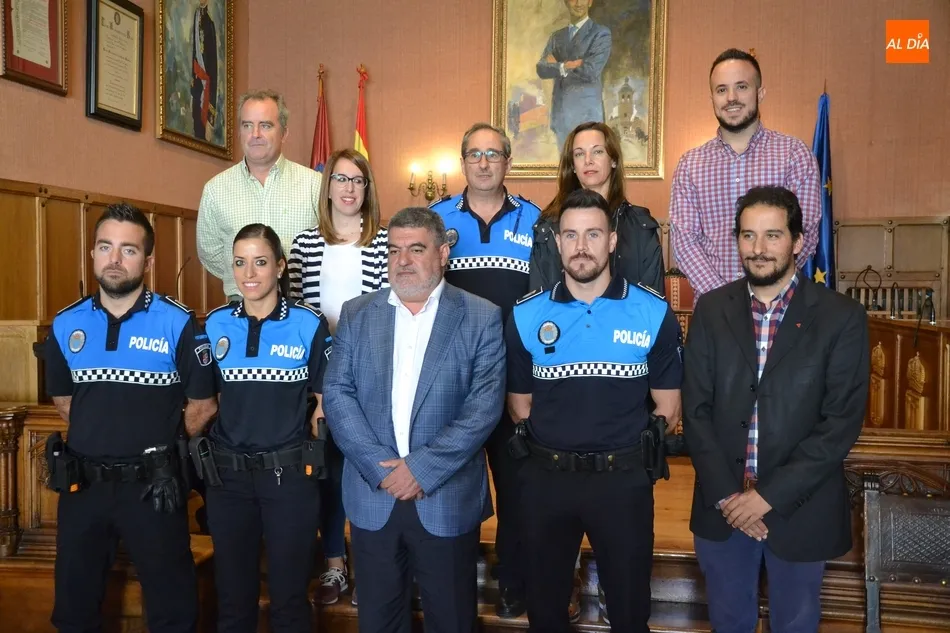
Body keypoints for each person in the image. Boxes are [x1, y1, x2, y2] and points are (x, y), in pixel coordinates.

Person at [683, 186, 869, 633]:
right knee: (728, 622)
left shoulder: (840, 316)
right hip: (722, 506)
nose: (759, 249)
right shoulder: (710, 310)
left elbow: (839, 423)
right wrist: (731, 497)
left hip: (800, 509)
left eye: (772, 235)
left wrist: (767, 498)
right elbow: (696, 410)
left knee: (796, 625)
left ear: (798, 240)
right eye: (748, 236)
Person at [507, 188, 683, 633]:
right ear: (558, 242)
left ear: (612, 240)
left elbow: (667, 407)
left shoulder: (651, 310)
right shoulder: (527, 315)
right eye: (570, 235)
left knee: (628, 614)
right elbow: (521, 407)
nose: (581, 246)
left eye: (592, 234)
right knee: (545, 614)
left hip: (622, 485)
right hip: (547, 482)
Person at [323, 207, 506, 633]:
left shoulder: (481, 316)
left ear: (443, 254)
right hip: (374, 495)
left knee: (452, 619)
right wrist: (378, 467)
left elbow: (484, 407)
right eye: (394, 250)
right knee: (379, 621)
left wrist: (420, 470)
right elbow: (337, 394)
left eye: (416, 249)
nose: (402, 260)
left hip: (445, 497)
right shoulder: (356, 313)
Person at [43, 203, 218, 633]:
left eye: (128, 249)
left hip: (153, 487)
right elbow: (65, 401)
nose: (115, 259)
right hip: (84, 487)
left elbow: (202, 406)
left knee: (172, 610)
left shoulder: (178, 324)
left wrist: (161, 445)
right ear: (93, 254)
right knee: (74, 607)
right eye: (105, 247)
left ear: (149, 260)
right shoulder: (65, 325)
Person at [428, 122, 540, 618]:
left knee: (518, 486)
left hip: (516, 376)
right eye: (474, 153)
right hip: (453, 378)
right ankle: (450, 579)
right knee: (453, 483)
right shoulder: (435, 220)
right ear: (463, 161)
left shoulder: (536, 221)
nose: (484, 162)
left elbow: (546, 302)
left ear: (508, 162)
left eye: (493, 154)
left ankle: (514, 577)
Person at [197, 223, 333, 633]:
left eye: (259, 262)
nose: (249, 273)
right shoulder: (215, 324)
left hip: (288, 480)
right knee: (234, 599)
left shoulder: (309, 323)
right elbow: (204, 403)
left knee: (289, 600)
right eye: (240, 263)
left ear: (280, 266)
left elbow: (324, 404)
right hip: (228, 482)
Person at [286, 148, 389, 606]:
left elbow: (390, 313)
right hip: (315, 374)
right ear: (327, 187)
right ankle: (333, 566)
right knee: (325, 470)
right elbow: (292, 314)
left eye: (357, 181)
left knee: (368, 466)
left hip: (369, 370)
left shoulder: (386, 242)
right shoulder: (305, 244)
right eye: (340, 179)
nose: (348, 189)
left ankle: (374, 565)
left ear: (367, 189)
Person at [669, 48, 821, 302]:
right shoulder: (689, 165)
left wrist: (765, 293)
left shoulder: (794, 155)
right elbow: (685, 242)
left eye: (741, 87)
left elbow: (804, 233)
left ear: (760, 93)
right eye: (721, 90)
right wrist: (726, 300)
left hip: (781, 307)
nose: (731, 98)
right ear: (712, 99)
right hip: (714, 311)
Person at [197, 89, 322, 302]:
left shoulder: (314, 185)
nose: (255, 134)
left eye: (265, 125)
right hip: (240, 307)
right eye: (247, 125)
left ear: (284, 133)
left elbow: (331, 246)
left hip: (302, 306)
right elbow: (211, 254)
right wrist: (252, 282)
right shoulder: (215, 190)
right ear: (239, 132)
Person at [531, 121, 665, 296]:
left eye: (598, 152)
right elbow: (539, 303)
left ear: (614, 160)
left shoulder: (640, 227)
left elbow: (653, 306)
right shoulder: (548, 225)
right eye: (579, 154)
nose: (588, 161)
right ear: (572, 165)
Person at [536, 0, 612, 150]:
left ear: (590, 2)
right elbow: (541, 68)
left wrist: (556, 65)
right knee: (565, 171)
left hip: (587, 117)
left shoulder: (601, 33)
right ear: (565, 2)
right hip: (561, 117)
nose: (578, 3)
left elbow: (591, 71)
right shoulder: (556, 37)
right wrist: (566, 66)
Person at [191, 0, 217, 142]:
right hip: (196, 85)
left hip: (205, 85)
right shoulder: (194, 17)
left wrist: (211, 119)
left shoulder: (209, 25)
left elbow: (213, 70)